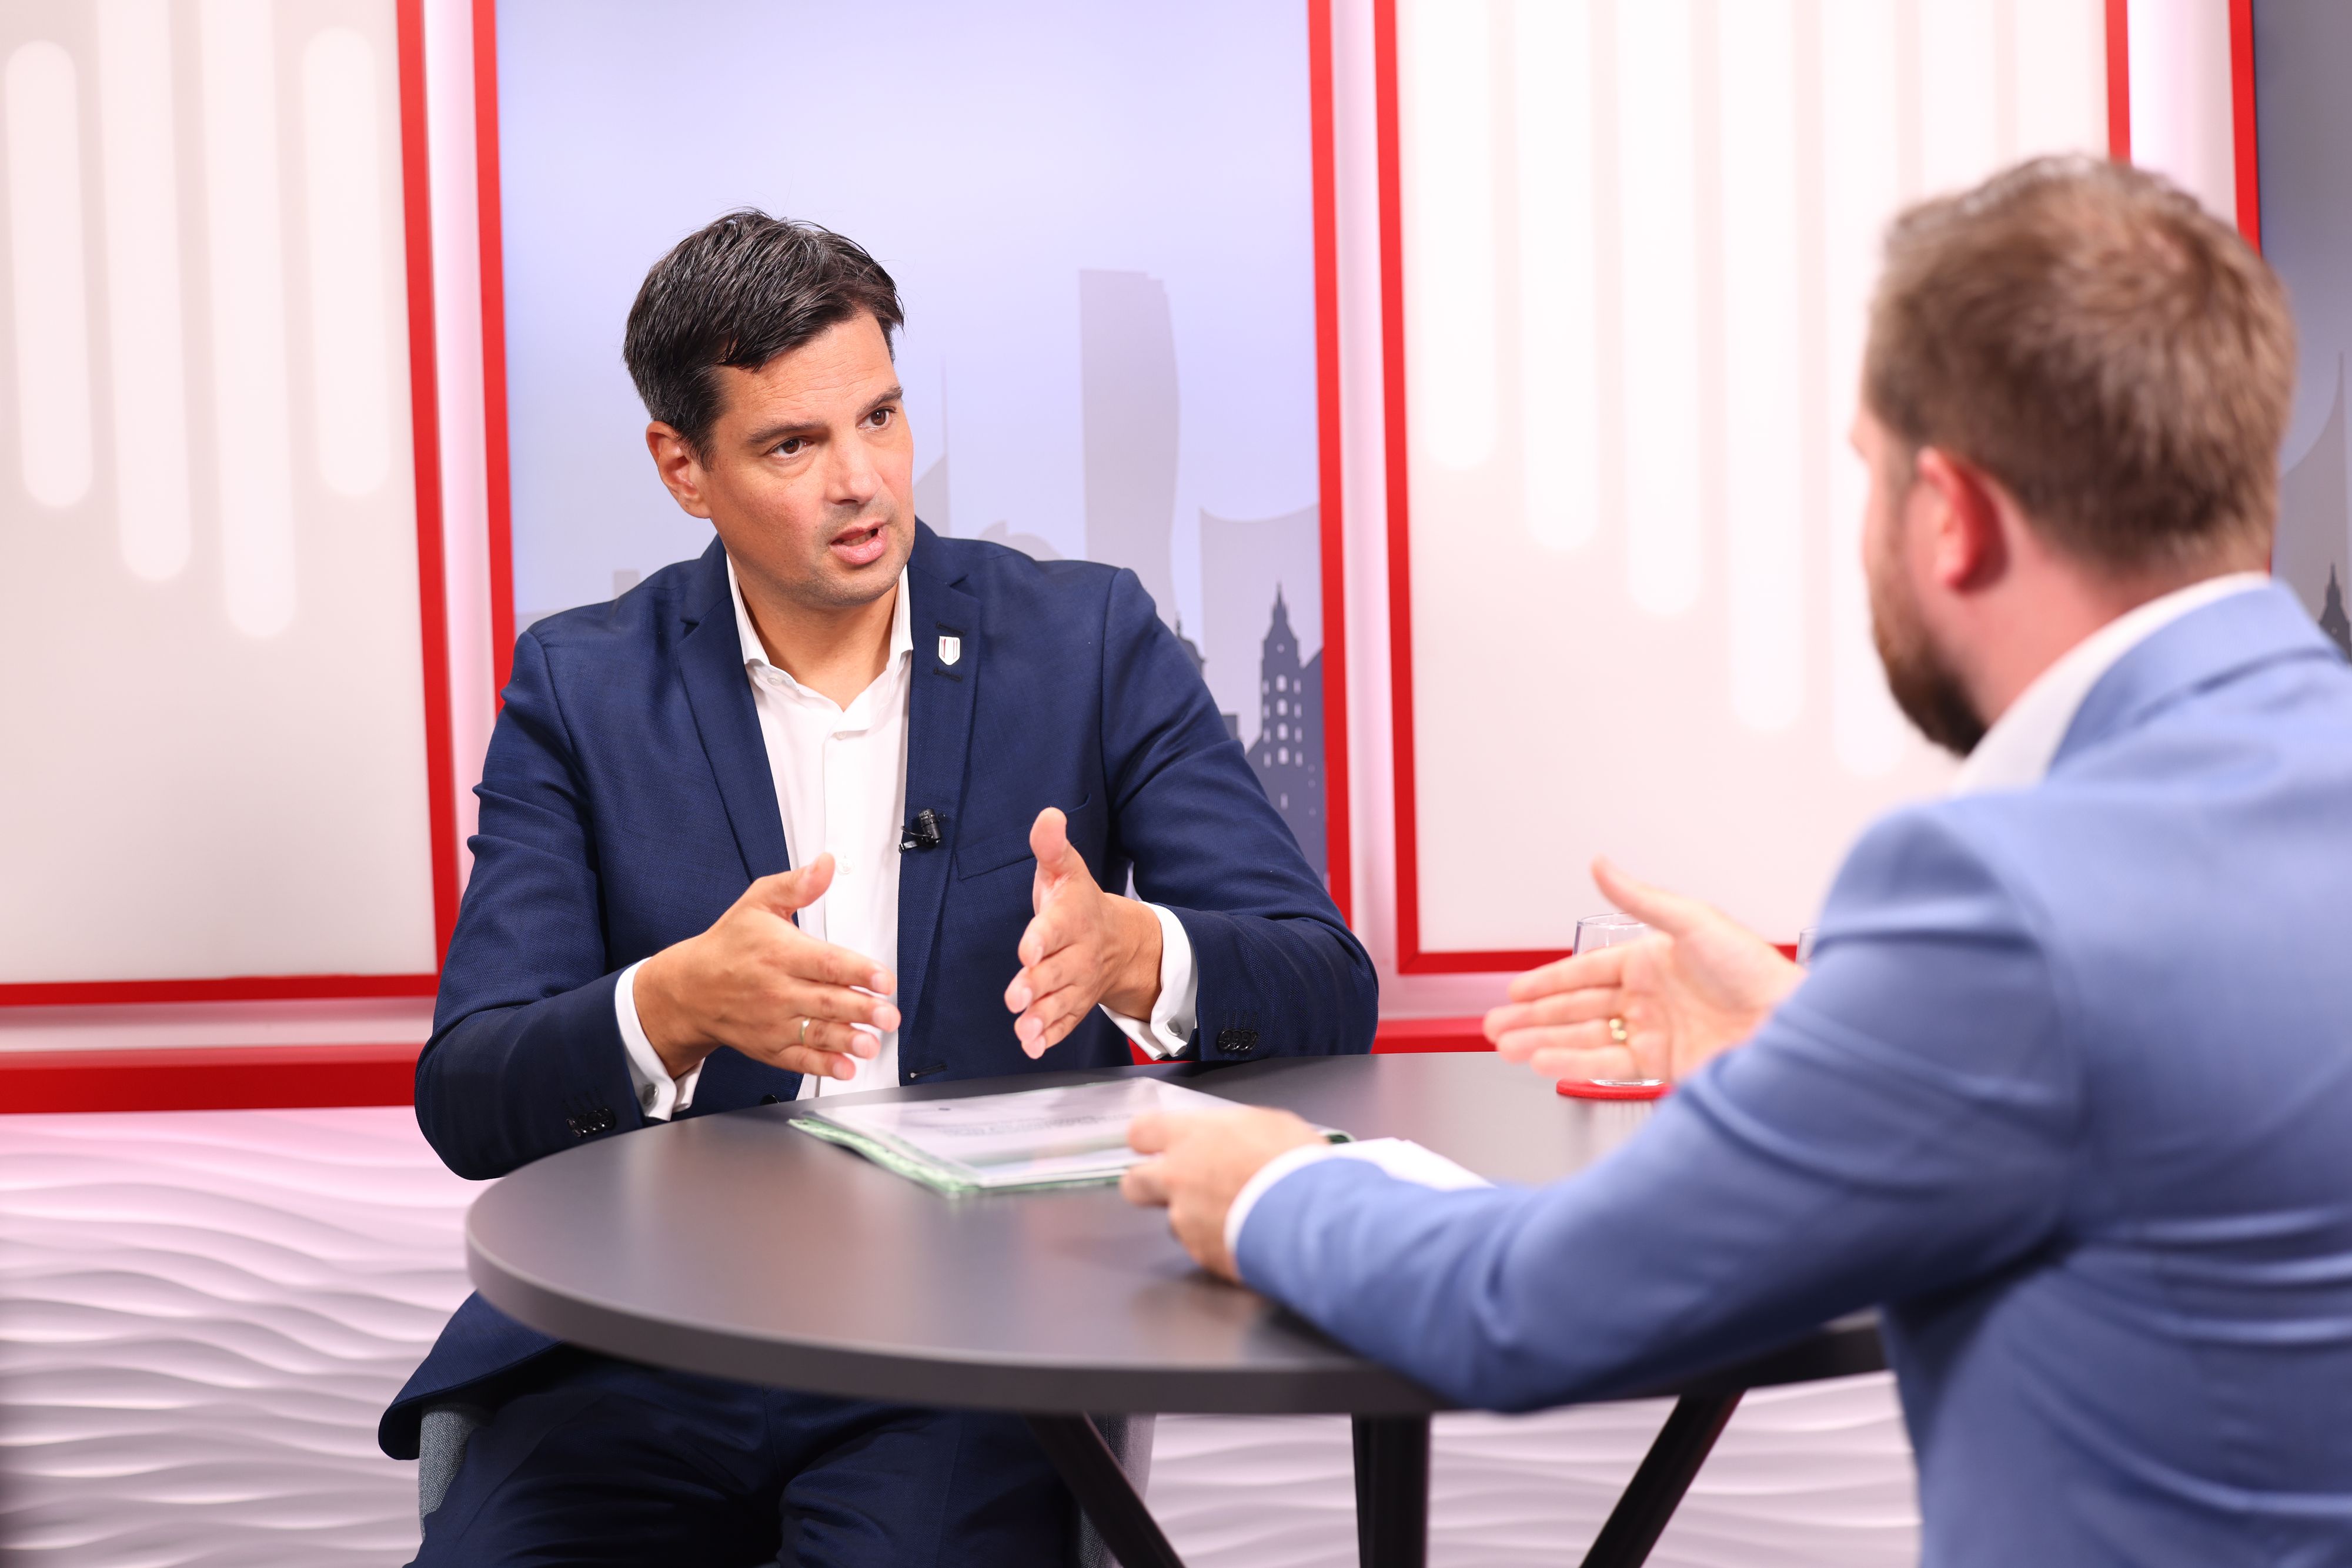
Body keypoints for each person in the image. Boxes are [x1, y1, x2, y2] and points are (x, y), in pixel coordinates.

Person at [1123, 156, 2352, 1564]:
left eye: (1866, 474)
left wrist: (1271, 1186)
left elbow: (1527, 1304)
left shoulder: (2001, 899)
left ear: (1947, 513)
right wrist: (1816, 1036)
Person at [380, 211, 1376, 1566]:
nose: (863, 481)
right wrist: (664, 1005)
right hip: (632, 1342)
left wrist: (1138, 952)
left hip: (958, 1355)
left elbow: (1324, 983)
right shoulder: (581, 683)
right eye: (794, 445)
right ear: (684, 465)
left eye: (881, 417)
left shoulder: (1085, 639)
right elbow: (470, 1091)